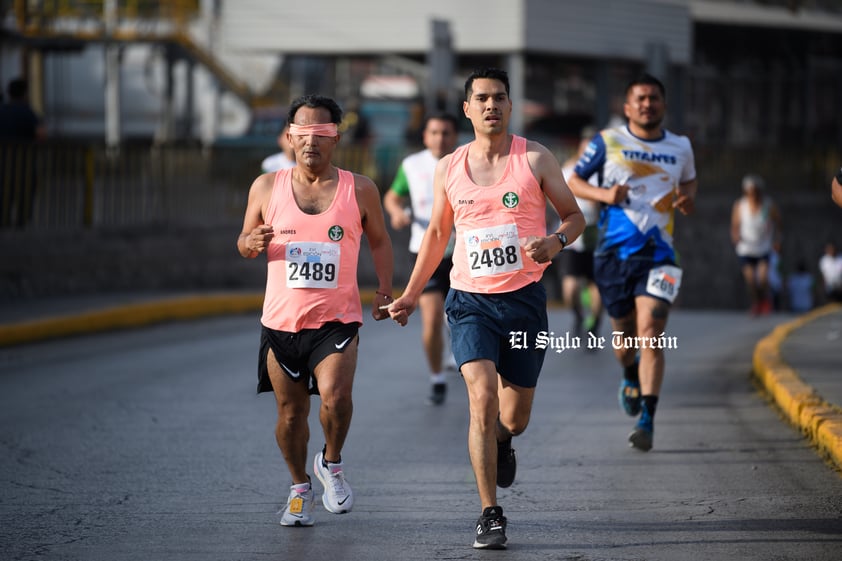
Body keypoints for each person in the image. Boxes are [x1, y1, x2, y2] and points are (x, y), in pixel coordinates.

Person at [386, 68, 585, 549]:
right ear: (468, 109)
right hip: (470, 300)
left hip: (525, 302)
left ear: (510, 107)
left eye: (500, 97)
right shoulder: (450, 166)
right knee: (480, 398)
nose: (491, 105)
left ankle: (503, 440)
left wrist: (555, 242)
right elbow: (436, 235)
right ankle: (489, 512)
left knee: (513, 417)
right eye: (482, 98)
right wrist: (411, 294)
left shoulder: (535, 158)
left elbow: (575, 217)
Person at [237, 94, 394, 528]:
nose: (311, 141)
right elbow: (244, 239)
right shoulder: (266, 187)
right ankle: (299, 486)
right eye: (302, 133)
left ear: (336, 139)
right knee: (290, 415)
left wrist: (384, 290)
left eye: (321, 133)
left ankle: (332, 462)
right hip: (281, 323)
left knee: (337, 398)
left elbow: (380, 240)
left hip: (337, 319)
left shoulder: (359, 188)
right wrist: (249, 244)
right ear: (289, 137)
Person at [566, 73, 697, 453]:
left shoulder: (681, 146)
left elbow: (689, 183)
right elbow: (574, 181)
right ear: (627, 107)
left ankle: (648, 420)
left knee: (651, 329)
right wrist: (605, 194)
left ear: (663, 104)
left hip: (661, 257)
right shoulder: (608, 142)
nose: (647, 104)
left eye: (654, 98)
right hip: (612, 257)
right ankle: (628, 373)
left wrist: (687, 198)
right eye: (640, 98)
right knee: (625, 342)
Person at [383, 112, 459, 404]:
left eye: (446, 133)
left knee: (457, 318)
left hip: (463, 252)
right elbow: (392, 196)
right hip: (426, 251)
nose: (440, 138)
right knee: (431, 320)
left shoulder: (466, 162)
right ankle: (437, 379)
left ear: (455, 137)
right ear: (426, 136)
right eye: (434, 132)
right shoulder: (412, 165)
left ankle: (462, 356)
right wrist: (396, 212)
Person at [557, 126, 603, 340]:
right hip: (572, 232)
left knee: (597, 286)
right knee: (571, 289)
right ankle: (578, 315)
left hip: (597, 231)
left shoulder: (604, 171)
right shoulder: (568, 170)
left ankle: (593, 326)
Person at [730, 174, 782, 315]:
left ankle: (765, 299)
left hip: (763, 246)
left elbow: (778, 223)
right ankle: (756, 302)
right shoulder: (740, 205)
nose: (752, 195)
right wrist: (735, 237)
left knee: (763, 278)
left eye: (755, 191)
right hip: (746, 247)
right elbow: (735, 225)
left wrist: (777, 240)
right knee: (751, 280)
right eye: (750, 192)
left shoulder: (768, 205)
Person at [0, 77, 46, 227]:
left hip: (3, 165)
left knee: (4, 198)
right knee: (24, 197)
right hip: (24, 165)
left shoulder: (2, 111)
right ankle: (21, 223)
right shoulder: (28, 113)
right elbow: (40, 135)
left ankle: (4, 222)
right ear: (25, 93)